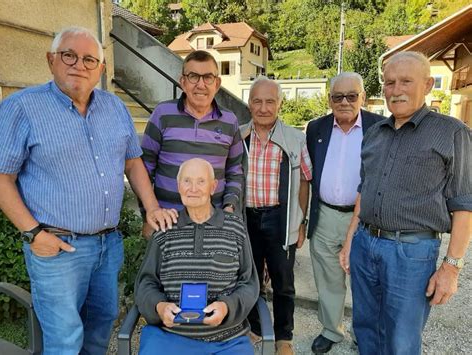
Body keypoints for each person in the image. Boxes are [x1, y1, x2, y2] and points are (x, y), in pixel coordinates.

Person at [0, 27, 163, 354]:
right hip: (57, 248)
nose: (79, 65)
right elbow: (1, 177)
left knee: (101, 326)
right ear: (51, 60)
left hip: (108, 244)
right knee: (65, 340)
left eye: (90, 59)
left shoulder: (115, 108)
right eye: (69, 56)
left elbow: (133, 163)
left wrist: (152, 207)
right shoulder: (22, 108)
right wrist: (34, 234)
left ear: (101, 69)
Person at [339, 51, 471, 354]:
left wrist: (451, 268)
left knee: (401, 338)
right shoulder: (374, 133)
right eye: (389, 83)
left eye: (405, 81)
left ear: (427, 85)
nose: (395, 89)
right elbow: (365, 189)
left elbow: (464, 204)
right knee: (366, 327)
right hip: (365, 244)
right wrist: (350, 240)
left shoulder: (452, 132)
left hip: (411, 253)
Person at [135, 158, 259, 355]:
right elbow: (146, 283)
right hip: (170, 337)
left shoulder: (235, 228)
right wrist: (159, 307)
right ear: (178, 186)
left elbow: (249, 283)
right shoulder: (165, 229)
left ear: (213, 186)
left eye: (201, 181)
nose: (193, 188)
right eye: (187, 181)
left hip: (227, 339)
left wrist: (227, 308)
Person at [306, 72, 384, 353]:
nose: (345, 102)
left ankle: (363, 334)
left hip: (365, 218)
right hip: (325, 215)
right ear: (330, 100)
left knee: (365, 280)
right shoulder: (316, 128)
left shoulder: (380, 126)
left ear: (363, 97)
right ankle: (331, 330)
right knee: (328, 278)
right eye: (338, 96)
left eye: (352, 95)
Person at [240, 76, 313, 355]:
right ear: (249, 104)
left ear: (280, 104)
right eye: (257, 101)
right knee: (250, 278)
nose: (263, 107)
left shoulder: (295, 139)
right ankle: (255, 328)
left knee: (283, 282)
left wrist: (302, 221)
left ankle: (284, 336)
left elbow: (306, 181)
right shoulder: (238, 137)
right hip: (247, 219)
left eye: (270, 101)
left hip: (280, 220)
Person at [140, 50, 244, 237]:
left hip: (214, 224)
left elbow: (235, 171)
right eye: (193, 76)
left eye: (208, 77)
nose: (201, 84)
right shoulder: (163, 114)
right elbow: (144, 168)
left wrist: (229, 208)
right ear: (183, 82)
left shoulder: (230, 121)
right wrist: (148, 213)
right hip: (167, 223)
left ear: (217, 83)